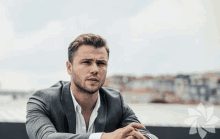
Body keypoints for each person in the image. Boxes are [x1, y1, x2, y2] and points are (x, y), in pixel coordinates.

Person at [26, 33, 158, 139]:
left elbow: (147, 135)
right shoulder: (43, 100)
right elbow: (46, 137)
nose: (95, 69)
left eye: (101, 63)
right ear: (69, 67)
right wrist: (103, 138)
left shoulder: (115, 100)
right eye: (86, 62)